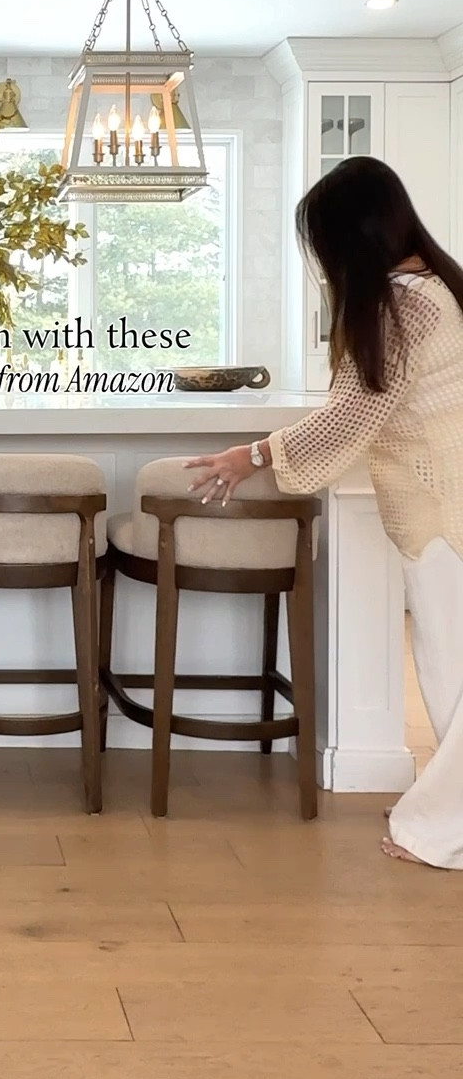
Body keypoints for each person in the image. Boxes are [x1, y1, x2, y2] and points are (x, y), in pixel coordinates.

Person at [186, 156, 463, 870]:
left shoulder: (403, 306)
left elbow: (353, 415)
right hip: (446, 502)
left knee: (453, 676)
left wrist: (251, 455)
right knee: (446, 673)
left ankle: (440, 828)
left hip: (442, 511)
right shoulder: (441, 286)